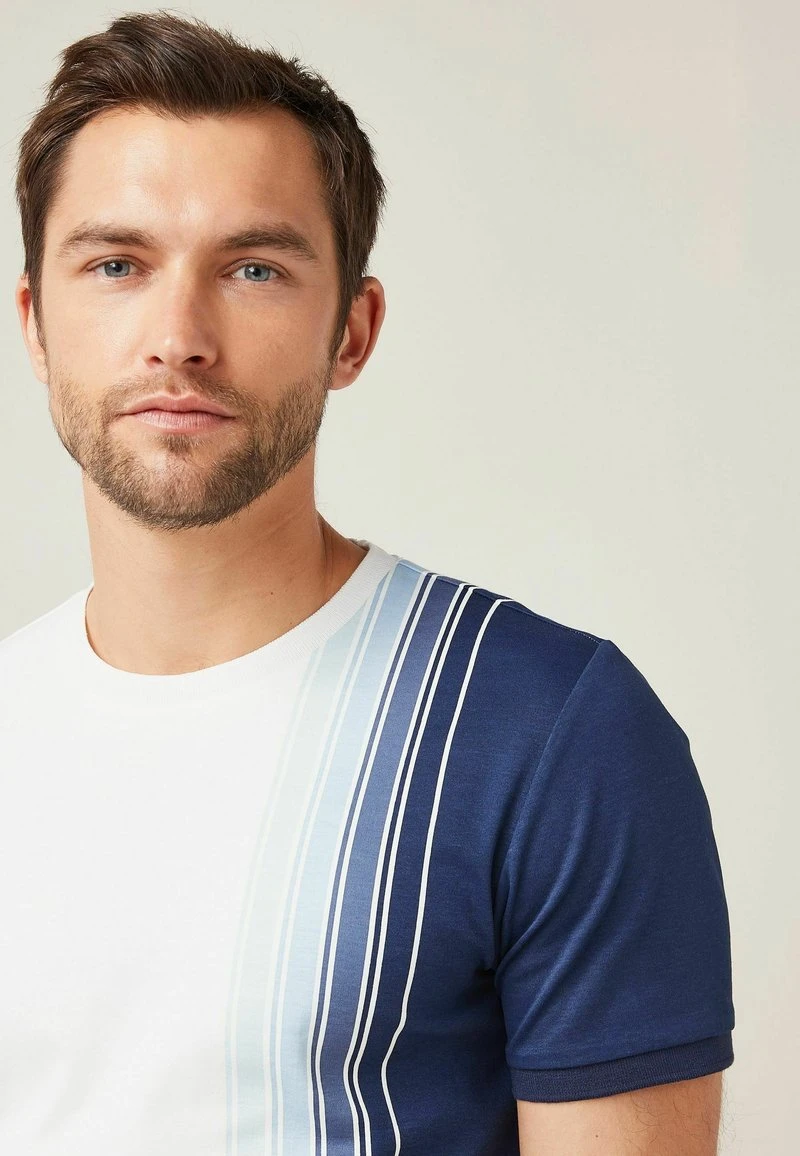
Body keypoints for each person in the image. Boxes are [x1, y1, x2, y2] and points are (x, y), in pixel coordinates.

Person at [2, 10, 734, 1155]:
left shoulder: (547, 733)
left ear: (352, 330)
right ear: (36, 325)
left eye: (253, 268)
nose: (177, 335)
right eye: (116, 265)